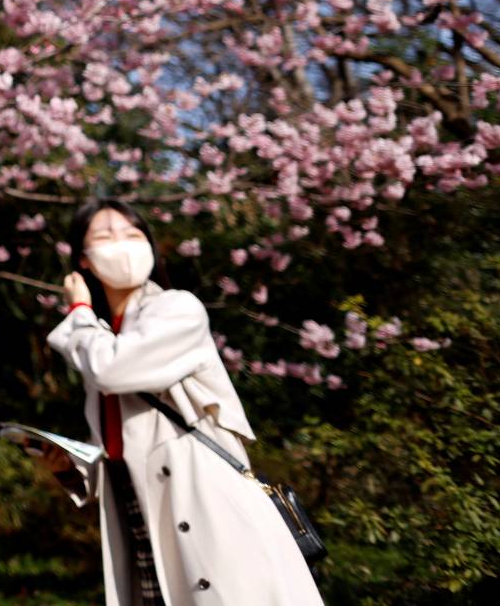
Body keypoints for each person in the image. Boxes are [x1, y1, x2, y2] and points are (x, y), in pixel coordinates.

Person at [47, 198, 323, 606]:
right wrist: (69, 470)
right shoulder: (101, 338)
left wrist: (80, 311)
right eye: (104, 237)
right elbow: (122, 451)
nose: (122, 245)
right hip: (142, 518)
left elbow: (111, 370)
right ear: (83, 261)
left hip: (208, 508)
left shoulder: (177, 309)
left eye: (133, 234)